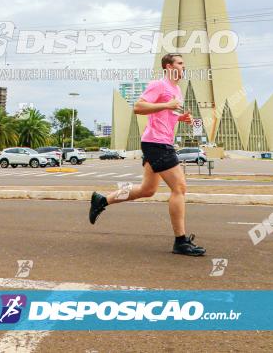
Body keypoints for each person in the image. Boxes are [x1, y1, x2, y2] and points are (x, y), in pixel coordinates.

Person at [88, 53, 205, 256]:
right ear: (168, 66)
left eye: (184, 63)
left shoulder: (176, 89)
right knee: (179, 187)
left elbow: (165, 115)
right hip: (156, 143)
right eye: (180, 63)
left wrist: (180, 118)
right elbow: (139, 107)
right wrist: (167, 105)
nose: (183, 67)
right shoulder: (159, 85)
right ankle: (181, 241)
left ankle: (102, 200)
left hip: (160, 141)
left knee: (147, 189)